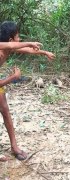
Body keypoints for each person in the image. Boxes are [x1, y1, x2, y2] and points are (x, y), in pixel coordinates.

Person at [0, 21, 55, 161]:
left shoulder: (8, 47)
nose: (20, 40)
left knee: (5, 110)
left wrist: (44, 52)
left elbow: (24, 49)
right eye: (18, 37)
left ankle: (14, 147)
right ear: (11, 39)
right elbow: (15, 45)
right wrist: (13, 78)